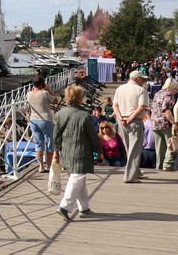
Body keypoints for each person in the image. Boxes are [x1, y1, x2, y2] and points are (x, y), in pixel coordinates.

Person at [54, 84, 102, 221]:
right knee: (77, 177)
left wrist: (56, 151)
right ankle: (64, 207)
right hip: (81, 151)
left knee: (78, 177)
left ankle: (84, 207)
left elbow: (56, 135)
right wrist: (98, 151)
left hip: (66, 151)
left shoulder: (59, 114)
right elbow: (93, 136)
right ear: (80, 98)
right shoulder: (85, 115)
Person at [113, 69, 150, 182]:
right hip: (135, 121)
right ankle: (130, 176)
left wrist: (120, 118)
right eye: (142, 79)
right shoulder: (141, 90)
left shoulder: (120, 88)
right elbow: (141, 107)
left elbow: (115, 105)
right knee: (135, 150)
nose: (143, 81)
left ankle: (135, 171)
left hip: (122, 121)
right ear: (136, 79)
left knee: (129, 148)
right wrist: (130, 119)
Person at [25, 76, 58, 173]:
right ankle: (49, 166)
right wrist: (49, 90)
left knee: (38, 143)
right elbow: (56, 101)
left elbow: (27, 107)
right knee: (49, 143)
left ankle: (41, 166)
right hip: (45, 119)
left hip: (33, 120)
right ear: (42, 84)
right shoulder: (45, 93)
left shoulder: (29, 94)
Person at [150, 77, 178, 171]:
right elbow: (166, 109)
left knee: (159, 146)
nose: (177, 91)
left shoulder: (158, 93)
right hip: (165, 123)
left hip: (155, 122)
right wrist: (174, 122)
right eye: (176, 89)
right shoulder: (169, 94)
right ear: (173, 87)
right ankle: (168, 164)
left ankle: (159, 165)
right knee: (171, 144)